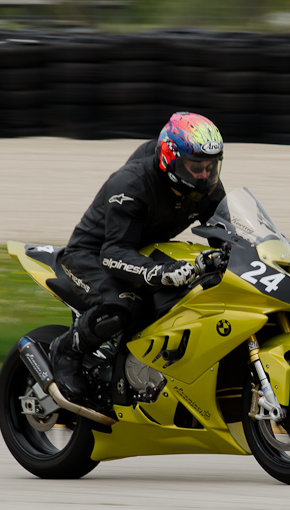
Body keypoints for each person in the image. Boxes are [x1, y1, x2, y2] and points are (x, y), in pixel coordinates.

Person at [50, 111, 227, 401]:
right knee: (125, 305)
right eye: (197, 166)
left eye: (211, 166)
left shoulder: (206, 188)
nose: (205, 175)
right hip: (92, 256)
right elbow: (114, 253)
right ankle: (66, 350)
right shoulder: (132, 184)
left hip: (142, 252)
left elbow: (228, 232)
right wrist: (159, 273)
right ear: (172, 159)